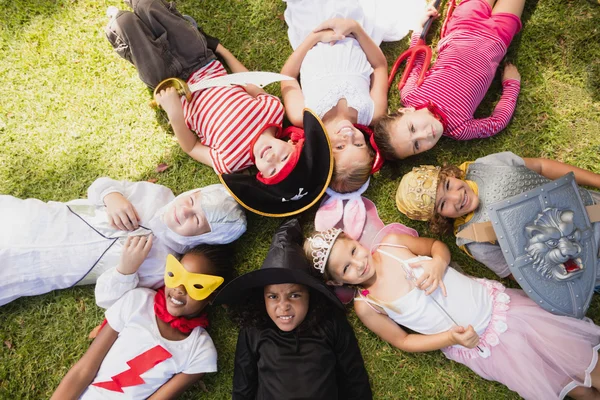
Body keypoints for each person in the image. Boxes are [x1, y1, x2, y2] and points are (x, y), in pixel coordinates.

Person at [304, 226, 600, 399]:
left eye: (354, 251)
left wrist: (437, 264)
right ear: (336, 281)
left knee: (574, 353)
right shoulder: (367, 305)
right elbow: (404, 341)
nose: (358, 264)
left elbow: (435, 247)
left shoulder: (391, 244)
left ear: (357, 241)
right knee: (559, 381)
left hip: (500, 307)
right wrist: (449, 338)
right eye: (346, 269)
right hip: (484, 345)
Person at [105, 0, 296, 180]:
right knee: (149, 5)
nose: (273, 159)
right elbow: (248, 80)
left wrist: (174, 113)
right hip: (201, 60)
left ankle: (122, 30)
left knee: (125, 21)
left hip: (172, 85)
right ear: (291, 144)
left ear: (261, 175)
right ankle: (172, 23)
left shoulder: (230, 163)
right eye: (284, 158)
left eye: (272, 171)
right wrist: (219, 48)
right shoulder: (274, 112)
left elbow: (191, 146)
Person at [0, 177, 246, 306]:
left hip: (43, 270)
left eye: (197, 220)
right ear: (191, 193)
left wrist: (125, 270)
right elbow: (100, 185)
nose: (184, 212)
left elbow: (107, 299)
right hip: (37, 221)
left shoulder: (166, 267)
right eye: (192, 202)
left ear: (203, 237)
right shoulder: (157, 195)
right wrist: (112, 196)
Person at [213, 219, 373, 399]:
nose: (283, 306)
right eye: (273, 296)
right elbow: (243, 387)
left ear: (310, 295)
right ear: (262, 298)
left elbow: (354, 378)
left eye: (294, 295)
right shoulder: (253, 330)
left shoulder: (331, 323)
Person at [51, 240, 231, 399]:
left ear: (212, 297)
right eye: (175, 275)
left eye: (196, 285)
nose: (179, 289)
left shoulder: (200, 351)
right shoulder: (137, 302)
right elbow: (84, 369)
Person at [280, 0, 424, 193]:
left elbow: (287, 77)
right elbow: (380, 66)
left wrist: (313, 38)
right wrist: (355, 28)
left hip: (311, 30)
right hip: (355, 27)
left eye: (340, 146)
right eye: (358, 143)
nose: (349, 135)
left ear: (322, 150)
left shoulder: (303, 115)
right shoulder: (372, 113)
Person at [395, 152, 600, 281]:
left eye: (448, 185)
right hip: (580, 258)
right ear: (438, 217)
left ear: (451, 174)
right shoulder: (474, 238)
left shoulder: (489, 166)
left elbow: (540, 166)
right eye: (443, 204)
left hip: (589, 207)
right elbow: (521, 273)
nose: (456, 197)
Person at [373, 0, 524, 160]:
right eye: (416, 145)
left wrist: (419, 28)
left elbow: (417, 59)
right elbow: (497, 123)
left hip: (464, 25)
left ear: (405, 111)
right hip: (498, 37)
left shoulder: (410, 95)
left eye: (412, 128)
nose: (424, 135)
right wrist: (511, 85)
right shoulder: (460, 129)